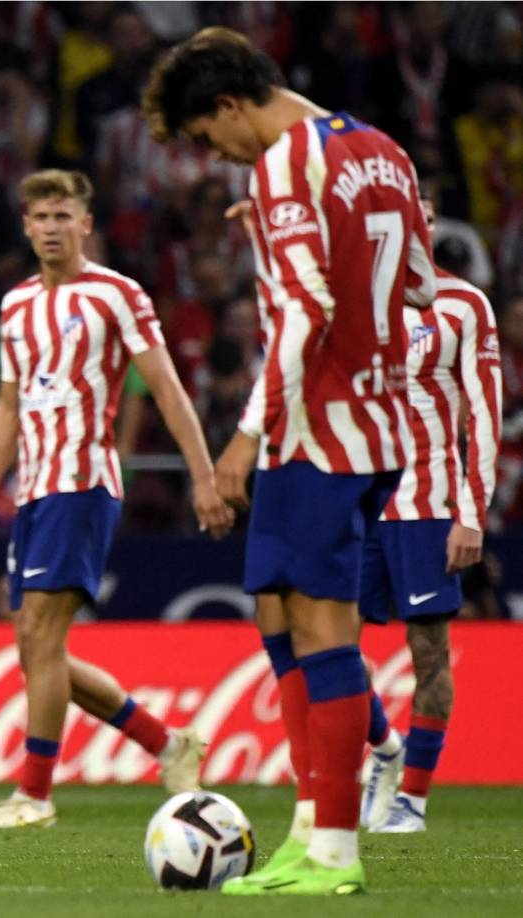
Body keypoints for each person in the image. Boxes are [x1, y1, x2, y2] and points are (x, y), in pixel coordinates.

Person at [142, 27, 436, 896]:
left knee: (317, 632)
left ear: (231, 105)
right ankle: (314, 828)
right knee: (285, 612)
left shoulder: (284, 160)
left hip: (316, 430)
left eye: (207, 137)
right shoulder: (381, 151)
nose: (218, 157)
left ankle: (333, 850)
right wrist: (284, 231)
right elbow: (419, 283)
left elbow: (305, 312)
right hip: (378, 423)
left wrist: (244, 434)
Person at [0, 168, 233, 829]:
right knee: (34, 645)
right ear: (25, 225)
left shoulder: (118, 295)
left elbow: (166, 388)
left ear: (86, 224)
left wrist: (204, 477)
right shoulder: (19, 302)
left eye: (63, 216)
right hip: (35, 490)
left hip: (83, 481)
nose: (51, 228)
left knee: (41, 639)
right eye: (41, 217)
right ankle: (167, 742)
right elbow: (9, 409)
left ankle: (34, 795)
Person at [359, 201, 502, 833]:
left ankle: (411, 800)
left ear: (429, 226)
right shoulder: (351, 305)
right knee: (326, 642)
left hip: (427, 502)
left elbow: (485, 412)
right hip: (356, 503)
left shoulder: (464, 305)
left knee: (428, 652)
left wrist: (471, 513)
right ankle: (385, 751)